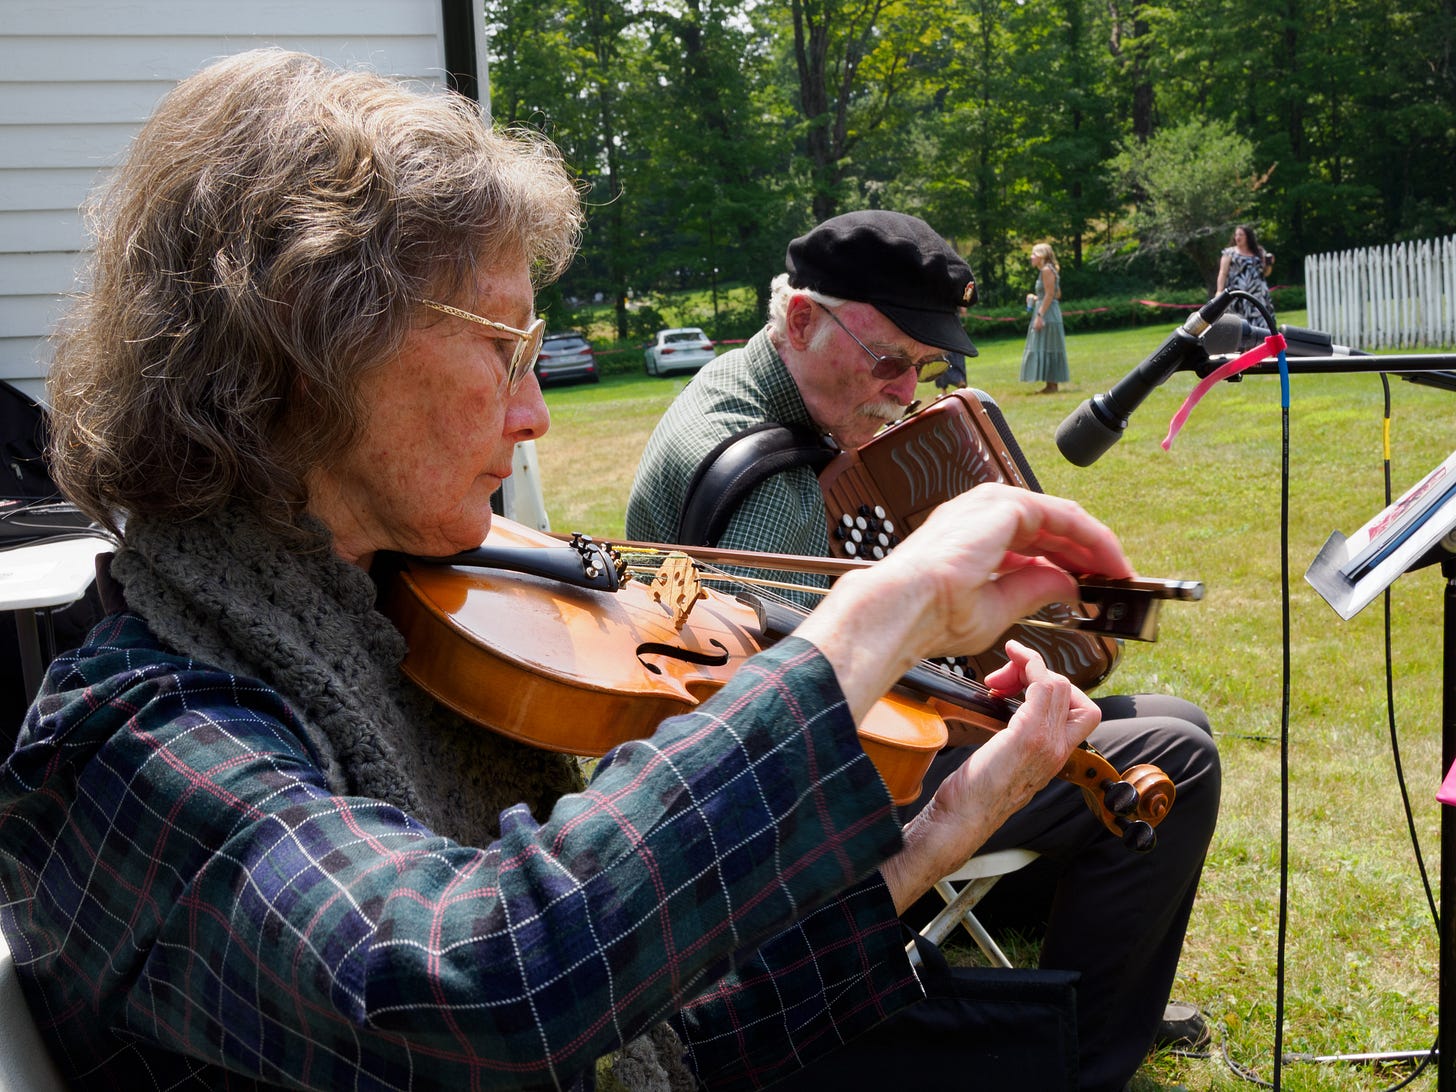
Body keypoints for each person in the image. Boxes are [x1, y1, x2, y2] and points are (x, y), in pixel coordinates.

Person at [0, 49, 1148, 1092]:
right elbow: (480, 995)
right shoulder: (140, 743)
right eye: (503, 348)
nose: (538, 413)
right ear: (304, 353)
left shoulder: (393, 634)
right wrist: (878, 613)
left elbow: (642, 1035)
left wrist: (928, 844)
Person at [625, 209, 1222, 1092]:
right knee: (1180, 753)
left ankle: (1094, 985)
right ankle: (1084, 1051)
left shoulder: (736, 382)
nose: (908, 393)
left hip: (715, 778)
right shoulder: (775, 485)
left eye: (923, 367)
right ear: (801, 322)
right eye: (890, 361)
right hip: (791, 838)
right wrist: (963, 684)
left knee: (1166, 721)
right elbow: (803, 741)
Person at [1020, 242, 1069, 393]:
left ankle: (1052, 386)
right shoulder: (1049, 270)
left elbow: (1050, 294)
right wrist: (1036, 298)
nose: (1031, 256)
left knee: (1048, 346)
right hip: (1049, 310)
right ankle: (1050, 385)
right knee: (1048, 346)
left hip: (1047, 313)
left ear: (1042, 256)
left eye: (1034, 254)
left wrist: (1040, 315)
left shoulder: (1046, 270)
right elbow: (1057, 293)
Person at [1216, 224, 1277, 327]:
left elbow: (1266, 273)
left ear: (1248, 236)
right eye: (1236, 235)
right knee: (1240, 326)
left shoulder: (1259, 252)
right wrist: (1219, 290)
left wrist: (1269, 264)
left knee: (1262, 325)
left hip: (1258, 295)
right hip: (1238, 296)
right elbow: (1223, 273)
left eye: (1241, 235)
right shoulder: (1230, 253)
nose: (1237, 237)